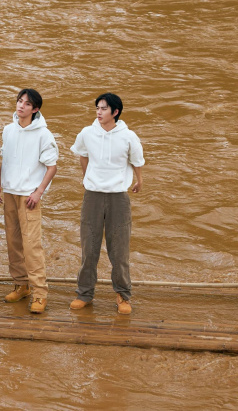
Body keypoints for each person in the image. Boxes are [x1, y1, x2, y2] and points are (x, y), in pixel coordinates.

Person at [69, 93, 144, 314]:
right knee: (88, 248)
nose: (99, 112)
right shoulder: (87, 133)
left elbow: (137, 161)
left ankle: (123, 295)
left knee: (119, 250)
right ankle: (84, 294)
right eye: (97, 108)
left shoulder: (129, 136)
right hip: (92, 195)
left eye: (103, 108)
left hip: (118, 197)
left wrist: (139, 181)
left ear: (115, 112)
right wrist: (86, 178)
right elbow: (82, 155)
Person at [0, 89, 58, 314]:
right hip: (9, 192)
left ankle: (40, 293)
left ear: (35, 109)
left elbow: (52, 167)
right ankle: (21, 285)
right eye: (19, 101)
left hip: (29, 196)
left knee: (32, 245)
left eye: (27, 104)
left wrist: (39, 192)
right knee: (13, 242)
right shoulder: (8, 130)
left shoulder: (44, 134)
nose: (21, 106)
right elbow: (5, 159)